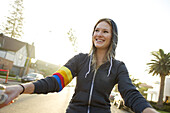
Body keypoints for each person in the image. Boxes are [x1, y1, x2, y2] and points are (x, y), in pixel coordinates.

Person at [0, 18, 158, 113]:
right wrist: (21, 88)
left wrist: (148, 110)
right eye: (96, 30)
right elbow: (56, 81)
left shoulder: (118, 67)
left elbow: (129, 93)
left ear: (113, 37)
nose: (99, 34)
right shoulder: (80, 60)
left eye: (105, 31)